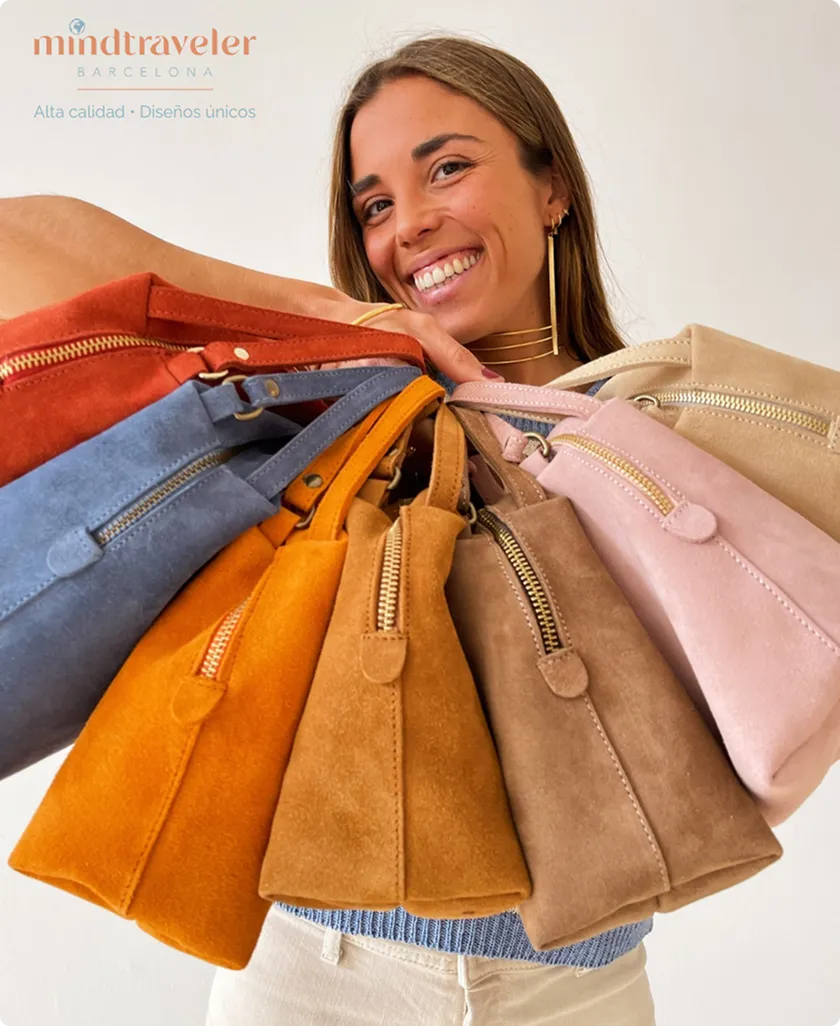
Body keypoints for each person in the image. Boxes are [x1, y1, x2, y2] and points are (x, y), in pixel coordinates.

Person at [0, 33, 656, 1026]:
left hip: (584, 983)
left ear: (551, 184)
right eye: (376, 204)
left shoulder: (661, 425)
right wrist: (314, 310)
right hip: (313, 971)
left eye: (447, 167)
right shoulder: (327, 408)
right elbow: (15, 241)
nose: (413, 224)